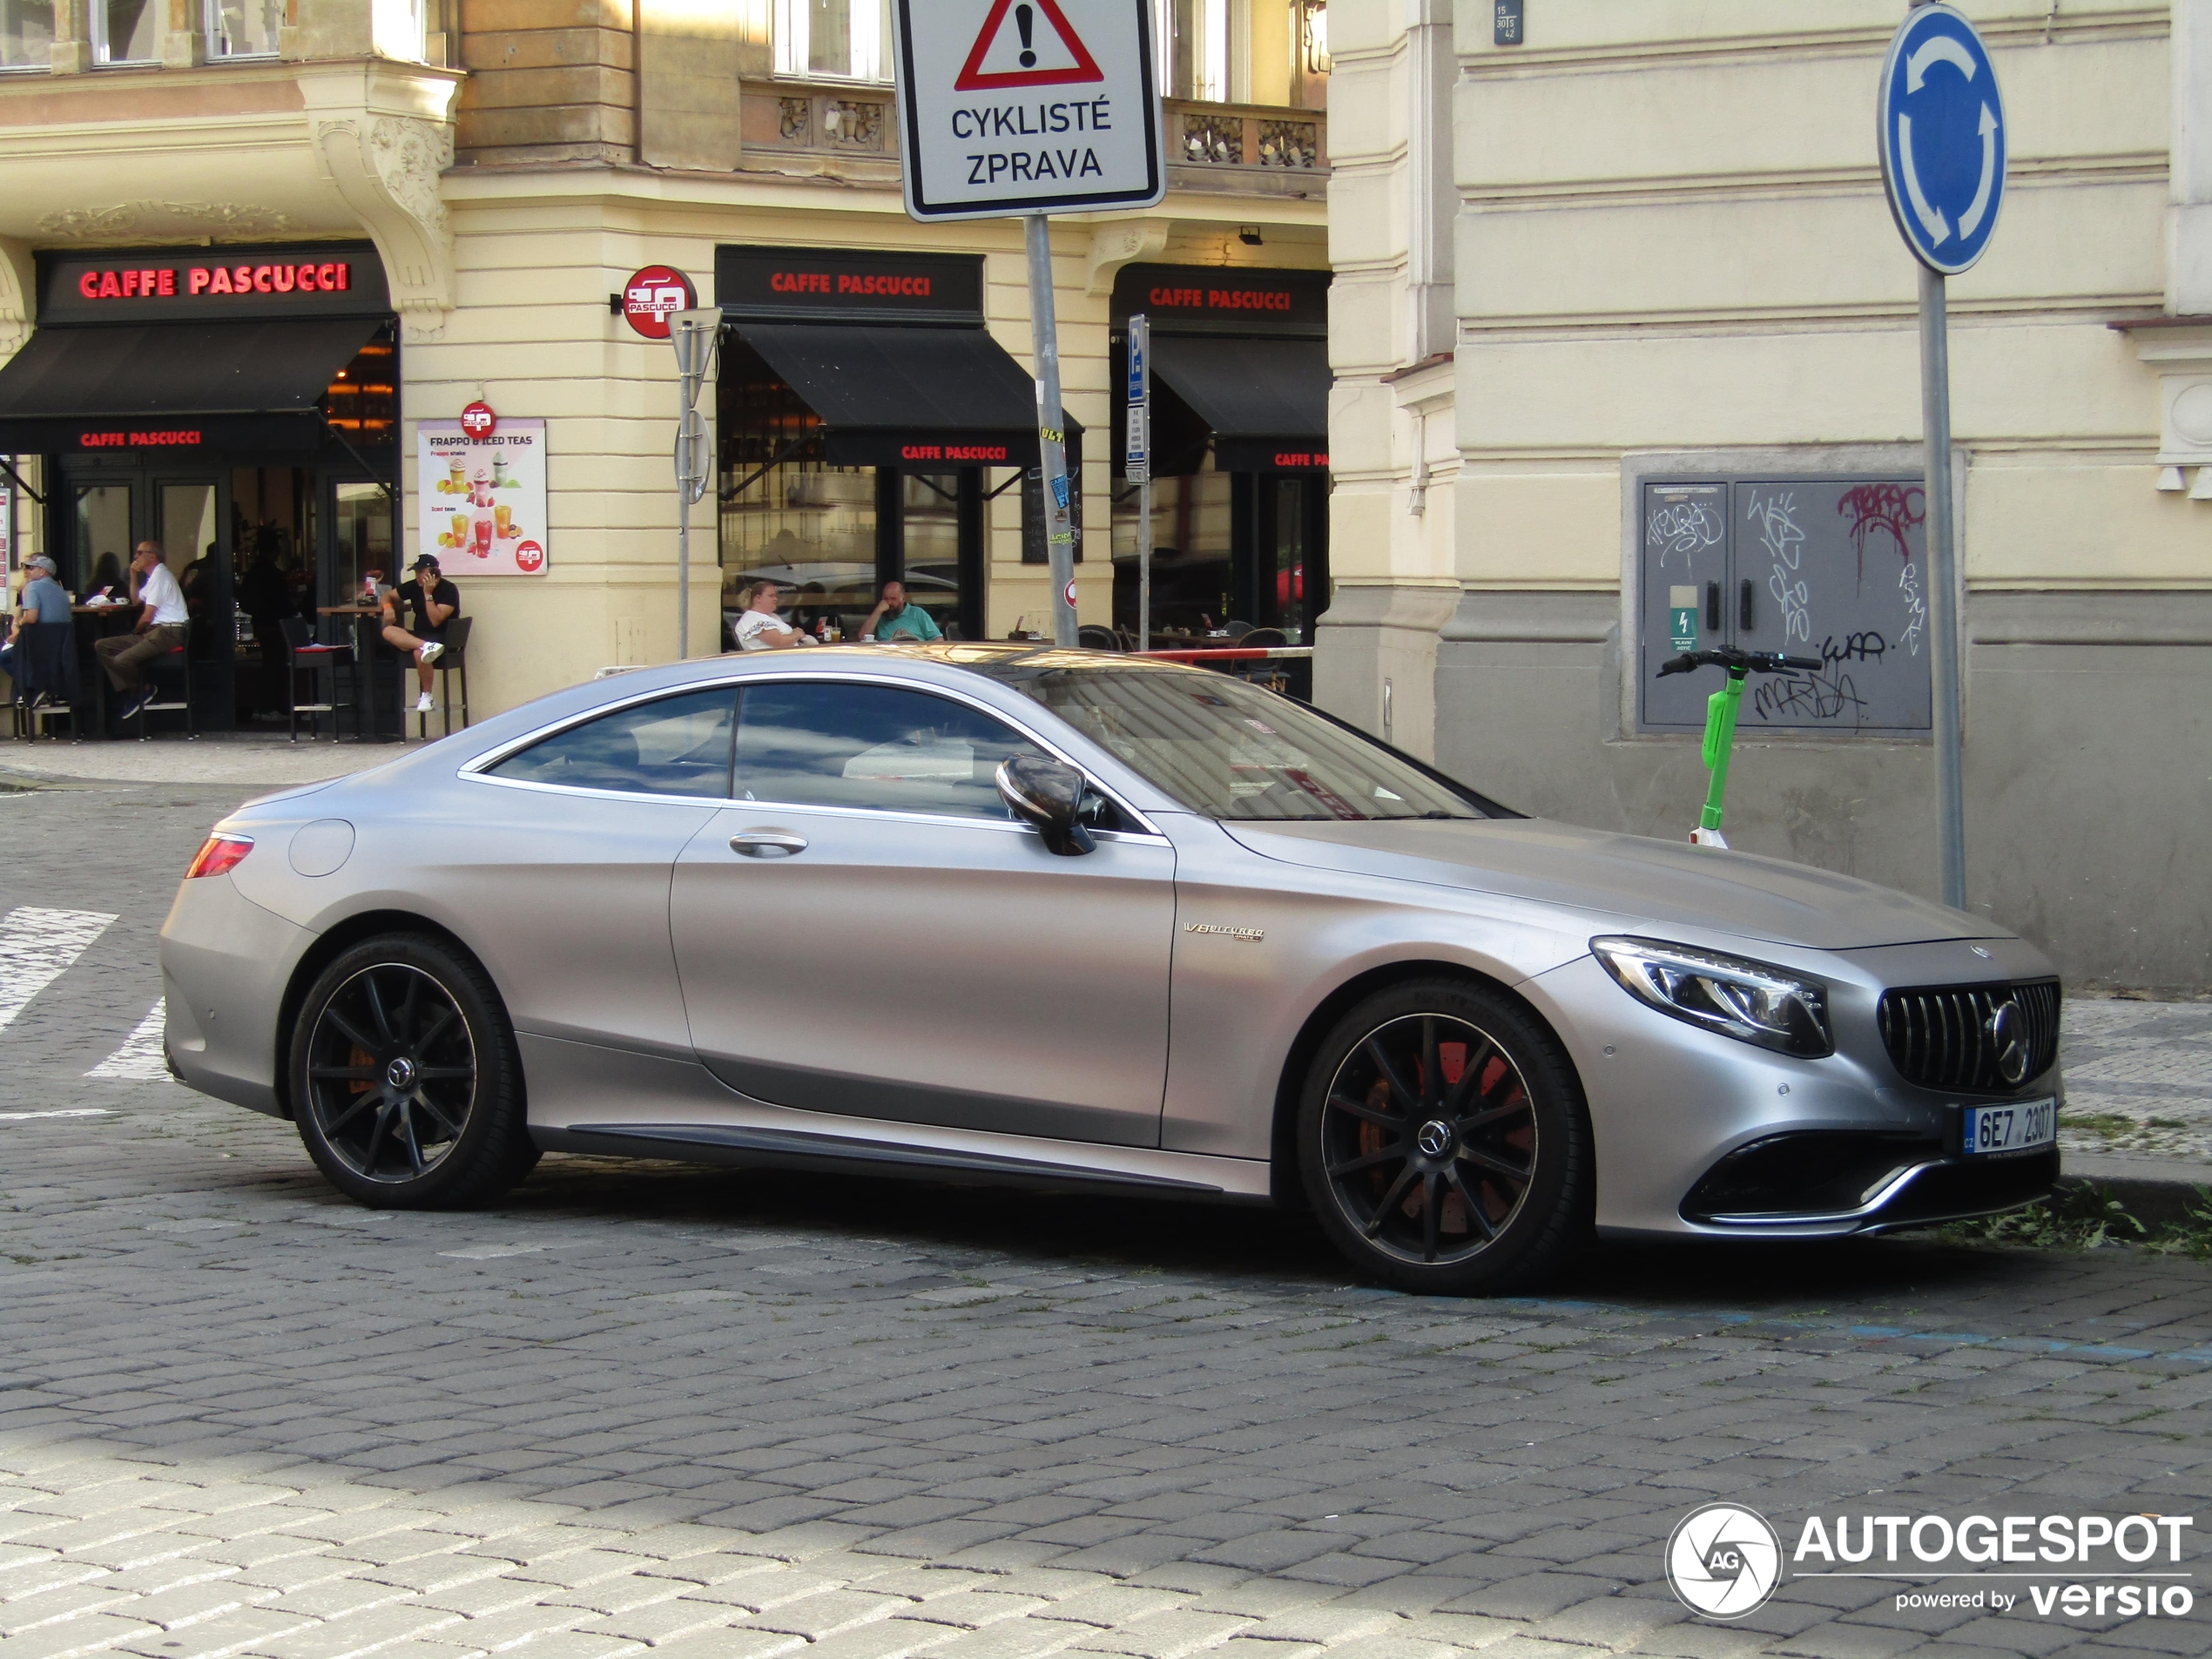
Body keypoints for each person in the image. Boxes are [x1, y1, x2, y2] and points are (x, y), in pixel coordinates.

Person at [94, 543, 191, 719]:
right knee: (102, 646)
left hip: (168, 632)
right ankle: (137, 691)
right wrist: (133, 574)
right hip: (155, 632)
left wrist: (135, 632)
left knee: (122, 660)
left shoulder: (161, 576)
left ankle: (142, 690)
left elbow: (147, 616)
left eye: (140, 553)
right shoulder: (154, 577)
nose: (136, 556)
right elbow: (136, 600)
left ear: (152, 556)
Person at [382, 555, 459, 713]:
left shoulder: (448, 590)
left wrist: (428, 594)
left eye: (421, 572)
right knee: (388, 630)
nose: (418, 576)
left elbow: (436, 620)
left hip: (442, 637)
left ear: (434, 572)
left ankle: (427, 695)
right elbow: (387, 595)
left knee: (420, 654)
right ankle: (426, 646)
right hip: (421, 637)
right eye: (416, 572)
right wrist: (388, 607)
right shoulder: (413, 586)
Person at [1, 554, 72, 697]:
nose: (26, 571)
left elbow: (32, 618)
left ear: (43, 571)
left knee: (4, 657)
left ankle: (32, 690)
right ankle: (36, 689)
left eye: (31, 568)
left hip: (38, 648)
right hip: (62, 650)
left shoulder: (34, 586)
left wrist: (19, 625)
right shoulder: (61, 590)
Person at [732, 579, 813, 651]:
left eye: (775, 595)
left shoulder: (773, 616)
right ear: (759, 598)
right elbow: (780, 643)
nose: (775, 599)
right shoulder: (752, 619)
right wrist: (797, 634)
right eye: (771, 596)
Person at [861, 579, 943, 644]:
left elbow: (938, 639)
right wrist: (877, 611)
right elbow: (862, 637)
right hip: (888, 660)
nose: (889, 603)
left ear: (903, 599)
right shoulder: (879, 617)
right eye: (886, 599)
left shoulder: (917, 613)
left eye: (893, 599)